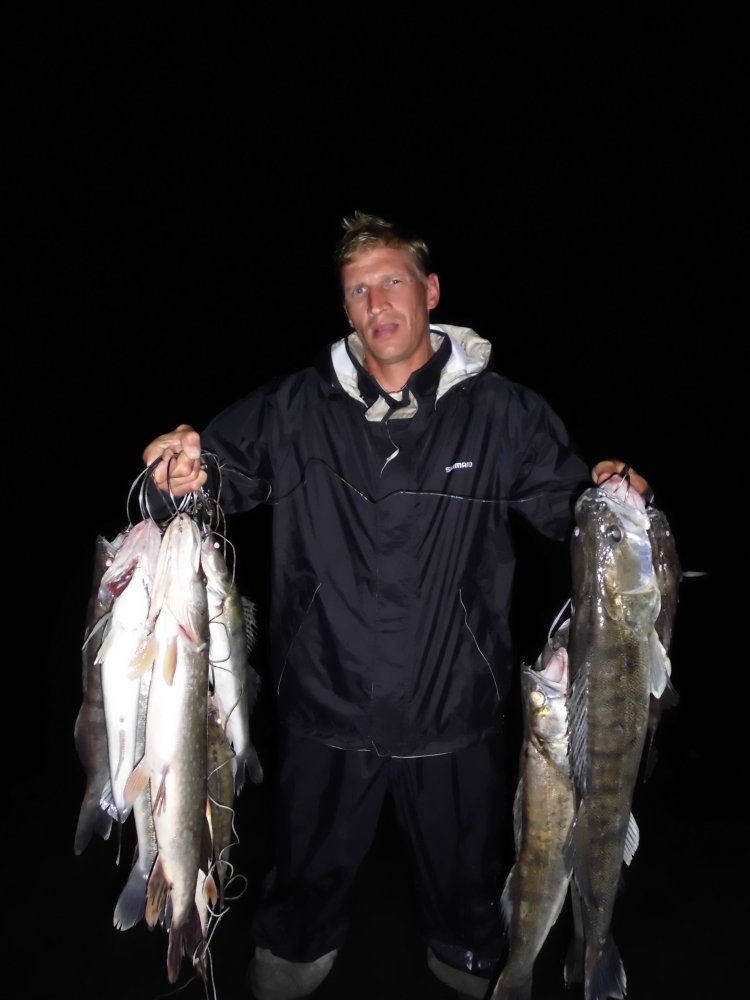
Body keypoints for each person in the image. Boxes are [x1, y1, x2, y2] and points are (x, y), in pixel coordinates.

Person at [142, 211, 652, 1000]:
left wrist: (613, 497)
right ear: (345, 310)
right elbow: (210, 480)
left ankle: (472, 961)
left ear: (431, 291)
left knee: (466, 883)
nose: (377, 303)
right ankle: (291, 956)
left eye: (392, 282)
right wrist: (173, 474)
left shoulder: (505, 413)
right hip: (325, 700)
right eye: (358, 290)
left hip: (453, 708)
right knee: (303, 873)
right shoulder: (295, 407)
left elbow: (569, 506)